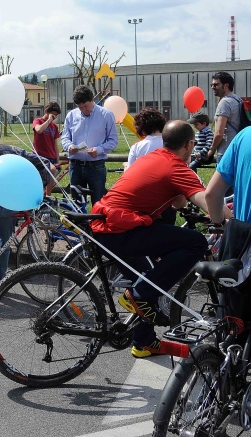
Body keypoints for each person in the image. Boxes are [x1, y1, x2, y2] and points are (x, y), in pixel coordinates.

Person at [90, 120, 230, 358]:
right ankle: (139, 295)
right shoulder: (176, 167)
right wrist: (232, 221)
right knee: (196, 242)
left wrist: (183, 195)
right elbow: (210, 202)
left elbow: (179, 202)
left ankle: (144, 342)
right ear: (190, 144)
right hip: (120, 230)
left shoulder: (152, 157)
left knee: (148, 277)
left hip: (105, 226)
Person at [0, 119, 52, 293]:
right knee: (5, 243)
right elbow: (44, 162)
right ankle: (0, 279)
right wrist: (40, 186)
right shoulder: (15, 151)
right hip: (10, 206)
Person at [61, 85, 118, 205]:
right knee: (76, 203)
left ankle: (96, 218)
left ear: (93, 100)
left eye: (85, 106)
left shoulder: (106, 115)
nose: (83, 110)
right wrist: (69, 146)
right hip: (75, 166)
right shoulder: (71, 115)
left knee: (98, 203)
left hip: (96, 166)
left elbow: (113, 140)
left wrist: (99, 149)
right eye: (80, 107)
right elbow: (65, 137)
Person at [206, 72, 241, 163]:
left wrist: (212, 150)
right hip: (238, 149)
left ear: (226, 85)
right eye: (211, 85)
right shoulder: (238, 100)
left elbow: (219, 133)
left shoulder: (225, 102)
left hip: (226, 152)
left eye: (216, 85)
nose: (212, 87)